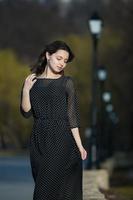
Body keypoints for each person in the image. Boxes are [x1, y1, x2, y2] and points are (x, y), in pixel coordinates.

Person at [20, 40, 87, 200]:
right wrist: (25, 90)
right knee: (47, 186)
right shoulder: (31, 82)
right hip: (38, 141)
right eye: (59, 58)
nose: (62, 63)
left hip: (62, 139)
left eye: (65, 61)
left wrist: (80, 146)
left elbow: (72, 116)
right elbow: (26, 112)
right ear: (48, 55)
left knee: (43, 192)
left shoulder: (66, 83)